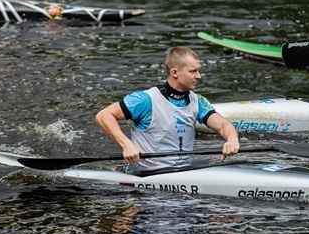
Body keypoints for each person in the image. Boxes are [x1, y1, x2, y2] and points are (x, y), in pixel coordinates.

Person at [95, 46, 240, 172]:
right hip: (148, 174)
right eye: (193, 71)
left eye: (198, 71)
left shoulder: (197, 101)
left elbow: (223, 125)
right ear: (175, 72)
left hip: (183, 170)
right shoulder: (146, 100)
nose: (199, 76)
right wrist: (127, 145)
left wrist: (232, 139)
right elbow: (103, 115)